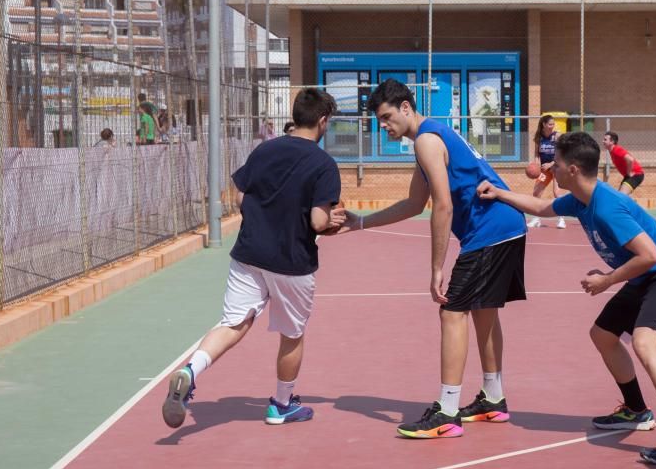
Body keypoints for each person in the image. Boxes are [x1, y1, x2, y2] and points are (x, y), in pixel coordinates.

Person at [477, 132, 656, 464]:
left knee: (644, 343)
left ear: (572, 169)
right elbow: (541, 206)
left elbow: (651, 255)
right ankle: (636, 410)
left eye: (554, 163)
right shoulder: (579, 200)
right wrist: (499, 193)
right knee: (603, 335)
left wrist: (607, 281)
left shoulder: (606, 206)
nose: (549, 168)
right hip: (645, 275)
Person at [339, 78, 527, 439]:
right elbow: (414, 203)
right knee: (483, 311)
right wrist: (361, 222)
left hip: (491, 230)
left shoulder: (426, 141)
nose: (384, 126)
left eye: (387, 117)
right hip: (505, 226)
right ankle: (493, 397)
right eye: (379, 120)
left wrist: (436, 269)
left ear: (406, 107)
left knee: (451, 310)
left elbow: (443, 204)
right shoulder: (430, 137)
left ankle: (447, 410)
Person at [161, 88, 346, 429]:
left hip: (249, 254)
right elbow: (319, 222)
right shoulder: (323, 164)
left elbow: (241, 193)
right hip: (291, 261)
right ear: (322, 121)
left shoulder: (266, 149)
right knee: (292, 334)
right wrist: (332, 221)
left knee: (233, 323)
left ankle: (191, 369)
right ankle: (281, 404)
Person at [527, 115, 566, 229]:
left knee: (557, 193)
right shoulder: (539, 137)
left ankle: (561, 219)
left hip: (557, 168)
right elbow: (536, 154)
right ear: (543, 124)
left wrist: (551, 164)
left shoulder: (557, 136)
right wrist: (537, 166)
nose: (552, 126)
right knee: (536, 192)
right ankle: (536, 219)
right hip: (545, 170)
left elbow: (562, 154)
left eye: (553, 124)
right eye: (550, 124)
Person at [601, 131, 645, 196]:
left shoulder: (616, 150)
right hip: (629, 176)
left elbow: (630, 160)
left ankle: (631, 204)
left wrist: (629, 172)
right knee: (619, 197)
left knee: (621, 197)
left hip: (636, 175)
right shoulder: (612, 151)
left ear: (612, 142)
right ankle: (630, 202)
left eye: (605, 140)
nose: (603, 141)